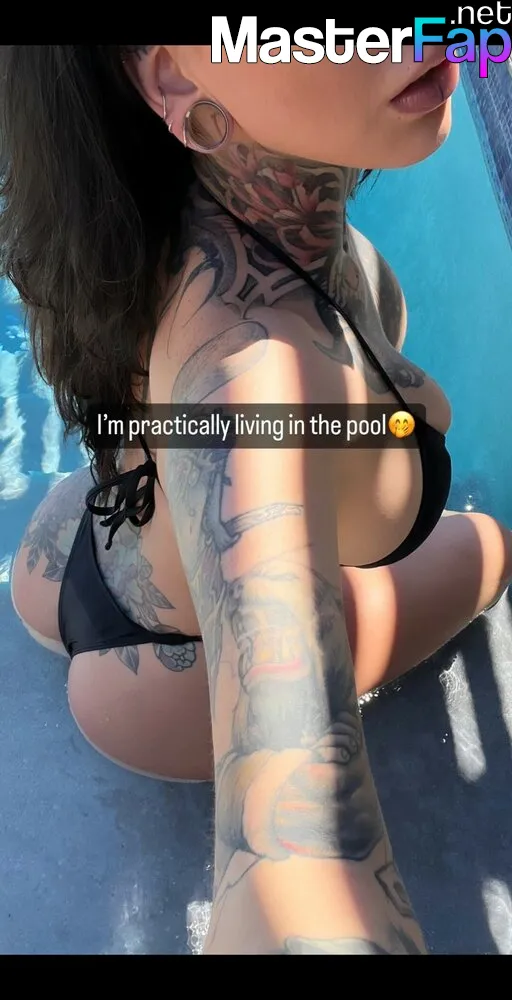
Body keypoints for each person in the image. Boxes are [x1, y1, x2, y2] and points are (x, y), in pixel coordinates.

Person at [2, 43, 511, 956]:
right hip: (165, 688)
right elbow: (300, 874)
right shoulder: (257, 387)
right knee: (493, 549)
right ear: (175, 77)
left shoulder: (164, 209)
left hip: (82, 540)